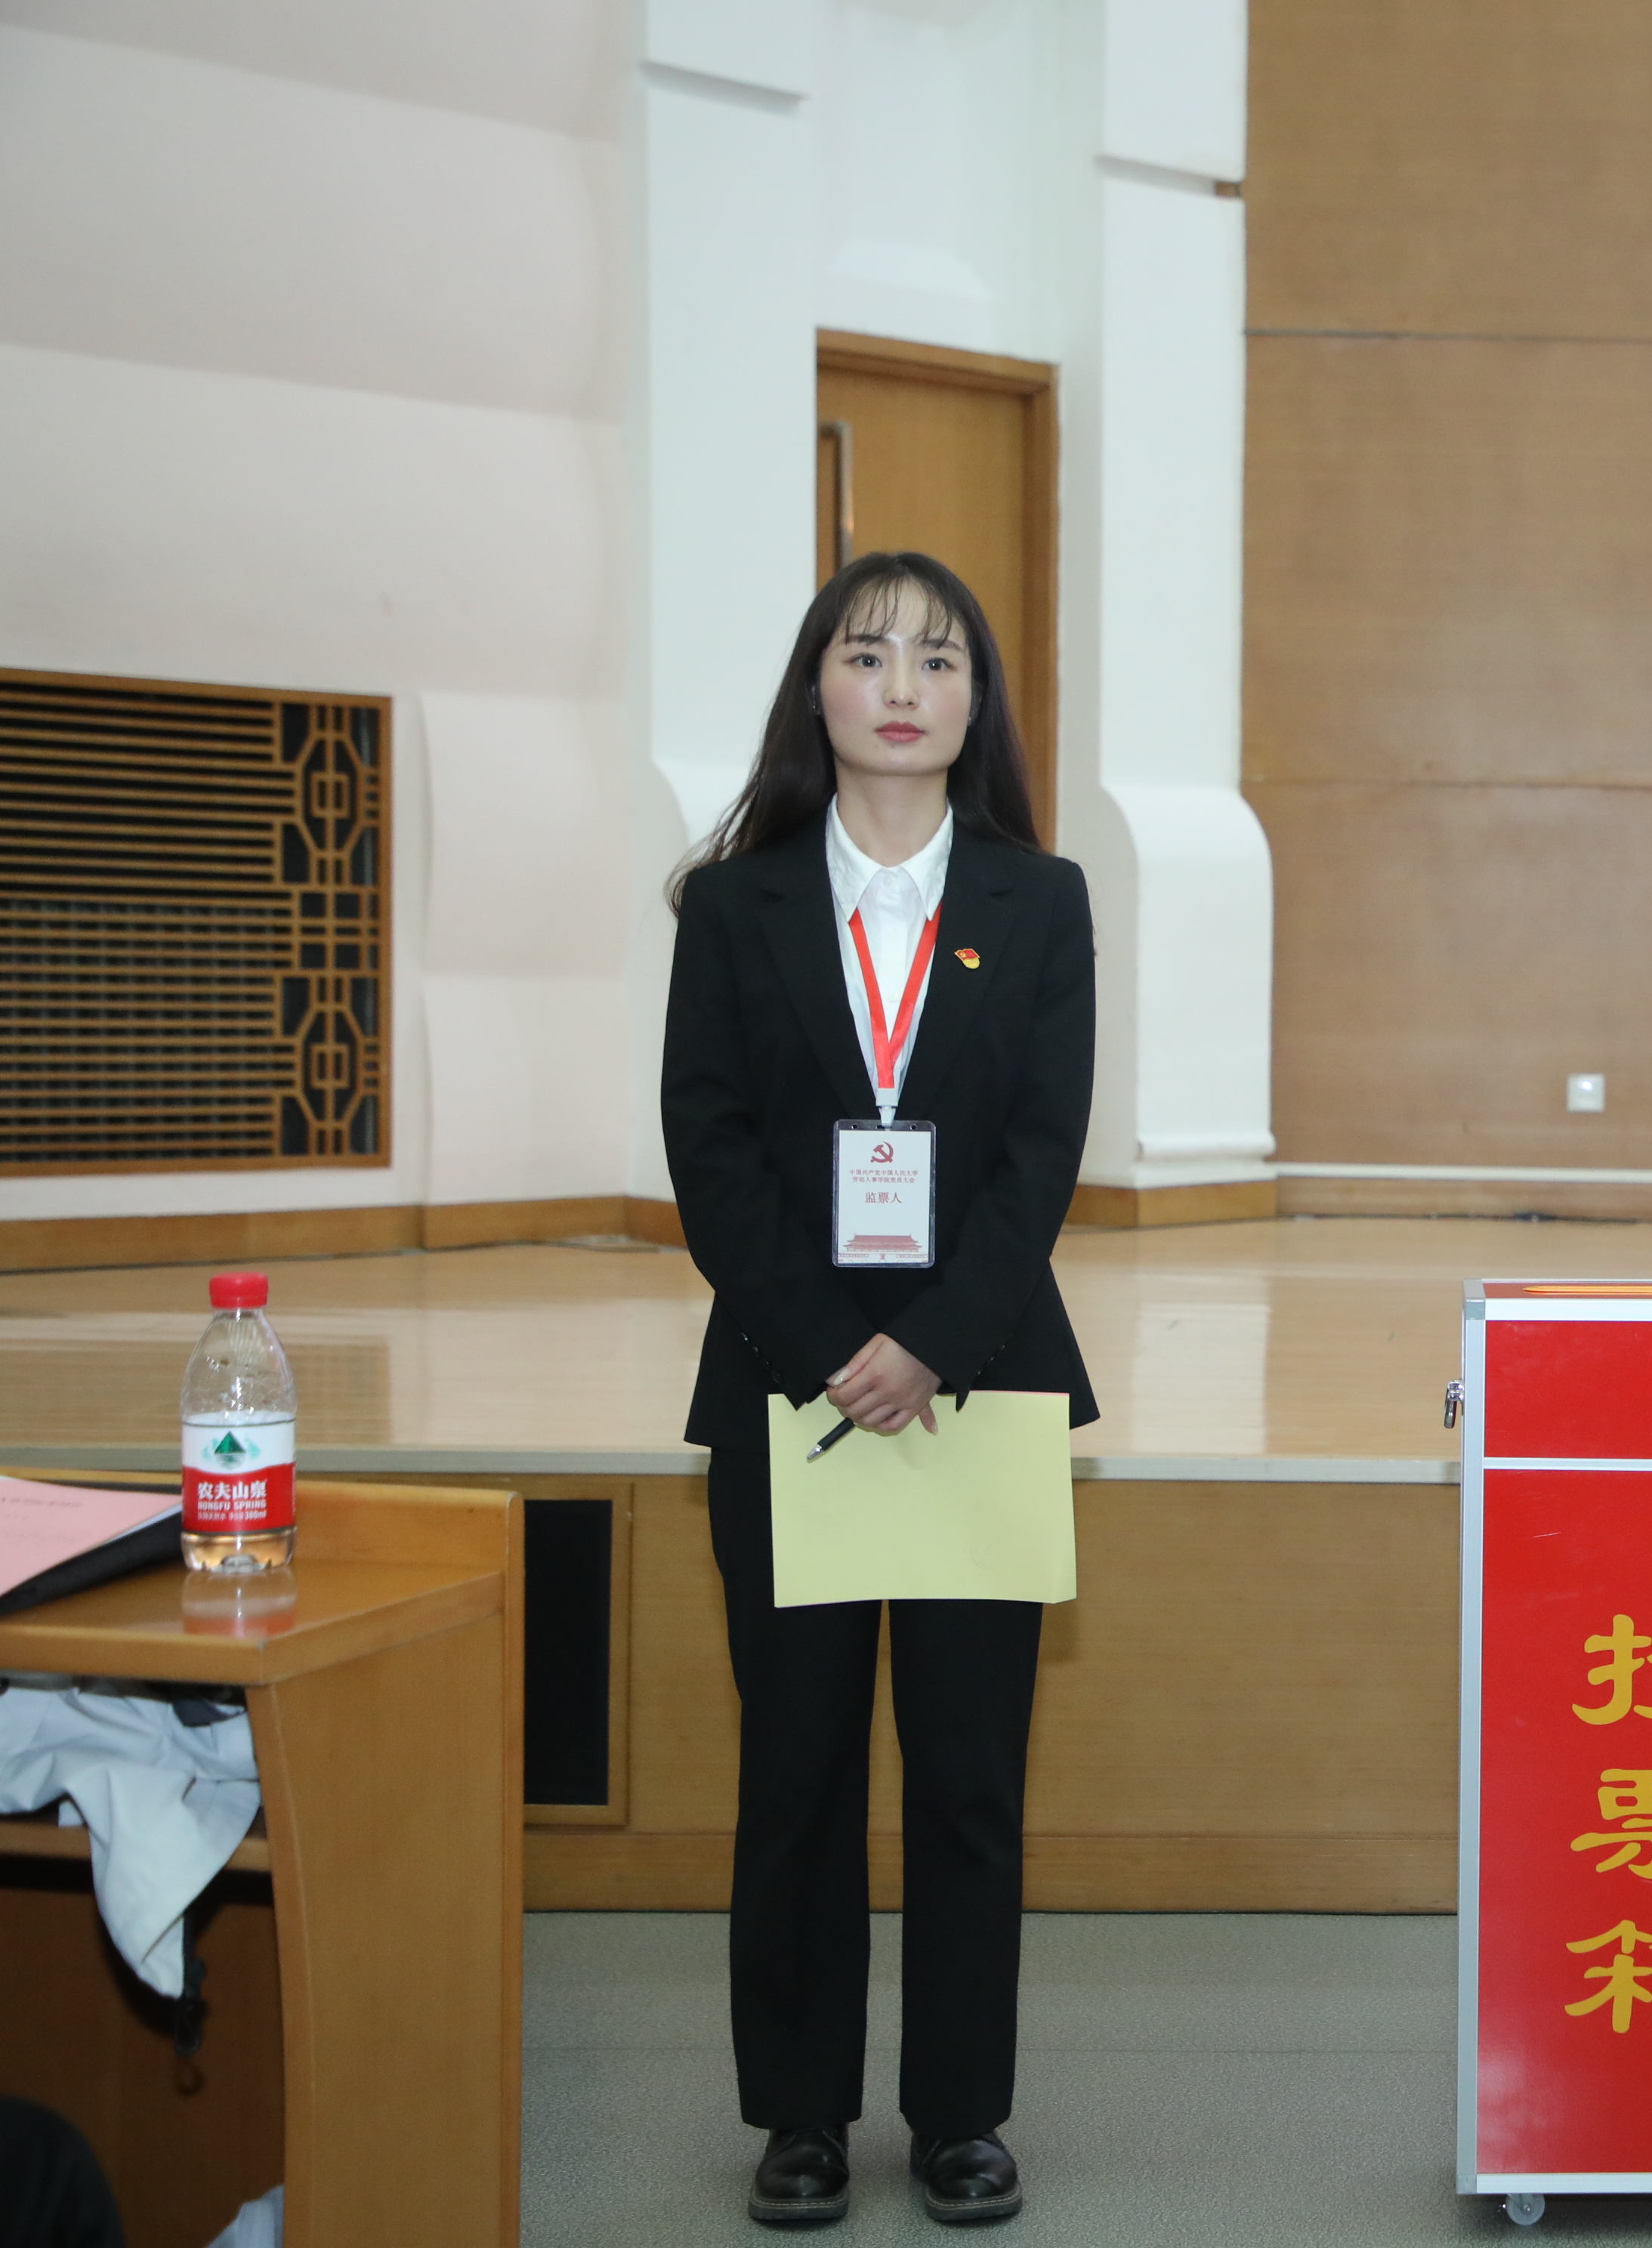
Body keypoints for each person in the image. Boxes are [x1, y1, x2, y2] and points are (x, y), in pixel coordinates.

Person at [661, 551, 1099, 2229]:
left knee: (970, 1779)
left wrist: (933, 1342)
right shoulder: (737, 906)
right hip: (790, 1393)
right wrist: (831, 1346)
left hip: (982, 1390)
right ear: (816, 691)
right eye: (867, 654)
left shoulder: (1040, 901)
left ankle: (960, 2116)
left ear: (976, 703)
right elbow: (708, 1149)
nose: (902, 685)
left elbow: (1042, 1155)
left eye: (937, 658)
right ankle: (799, 2117)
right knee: (797, 1774)